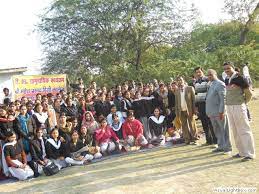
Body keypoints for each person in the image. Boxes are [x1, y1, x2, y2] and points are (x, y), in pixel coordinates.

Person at [223, 62, 255, 161]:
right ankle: (241, 152)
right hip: (229, 107)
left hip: (238, 106)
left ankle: (249, 154)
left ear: (233, 68)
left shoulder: (240, 78)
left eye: (228, 68)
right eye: (225, 69)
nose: (227, 70)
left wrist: (244, 102)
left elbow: (248, 93)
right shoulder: (227, 79)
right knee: (235, 130)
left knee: (244, 130)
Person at [206, 69, 232, 153]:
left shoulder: (220, 84)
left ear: (215, 74)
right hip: (212, 112)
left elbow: (223, 99)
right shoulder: (210, 84)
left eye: (211, 75)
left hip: (219, 112)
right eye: (208, 75)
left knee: (224, 130)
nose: (209, 76)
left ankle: (227, 148)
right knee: (217, 130)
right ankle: (220, 146)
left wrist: (222, 111)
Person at [193, 67, 217, 145]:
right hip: (200, 105)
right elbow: (196, 94)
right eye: (196, 72)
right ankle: (208, 141)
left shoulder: (207, 80)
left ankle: (215, 141)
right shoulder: (195, 82)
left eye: (199, 72)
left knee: (210, 122)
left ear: (202, 72)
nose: (198, 74)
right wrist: (196, 107)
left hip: (208, 104)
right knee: (204, 123)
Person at [175, 76, 198, 145]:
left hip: (190, 110)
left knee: (192, 124)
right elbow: (176, 103)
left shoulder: (190, 88)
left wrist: (194, 110)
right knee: (184, 126)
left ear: (183, 80)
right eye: (178, 80)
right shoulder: (176, 91)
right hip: (181, 111)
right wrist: (177, 113)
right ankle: (187, 140)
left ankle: (195, 139)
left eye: (180, 80)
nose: (179, 81)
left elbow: (194, 100)